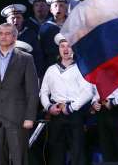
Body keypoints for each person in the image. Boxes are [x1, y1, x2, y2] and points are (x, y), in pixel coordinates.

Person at [0, 23, 39, 165]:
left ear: (15, 37)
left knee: (19, 159)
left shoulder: (26, 58)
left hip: (17, 118)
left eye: (8, 33)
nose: (3, 36)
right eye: (1, 33)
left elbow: (32, 91)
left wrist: (30, 117)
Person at [40, 33, 94, 165]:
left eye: (69, 46)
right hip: (56, 114)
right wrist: (48, 107)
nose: (65, 49)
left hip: (74, 114)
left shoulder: (81, 68)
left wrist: (71, 108)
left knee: (78, 152)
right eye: (62, 46)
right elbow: (43, 92)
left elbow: (88, 91)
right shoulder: (51, 69)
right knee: (56, 152)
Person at [0, 4, 45, 78]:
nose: (15, 20)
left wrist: (36, 75)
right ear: (7, 20)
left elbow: (38, 56)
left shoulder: (30, 34)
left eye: (18, 17)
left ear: (22, 19)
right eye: (12, 18)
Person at [39, 0, 70, 70]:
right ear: (51, 9)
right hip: (52, 66)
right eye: (55, 6)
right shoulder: (45, 27)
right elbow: (41, 50)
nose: (58, 8)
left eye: (61, 6)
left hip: (72, 65)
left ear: (66, 8)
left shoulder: (73, 24)